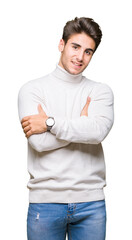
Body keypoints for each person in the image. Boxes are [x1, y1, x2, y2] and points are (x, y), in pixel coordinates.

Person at [18, 17, 114, 240]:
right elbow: (39, 143)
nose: (80, 57)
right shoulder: (32, 90)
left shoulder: (100, 92)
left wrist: (50, 123)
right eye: (75, 46)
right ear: (61, 44)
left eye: (88, 52)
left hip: (91, 204)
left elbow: (98, 132)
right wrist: (81, 126)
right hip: (45, 202)